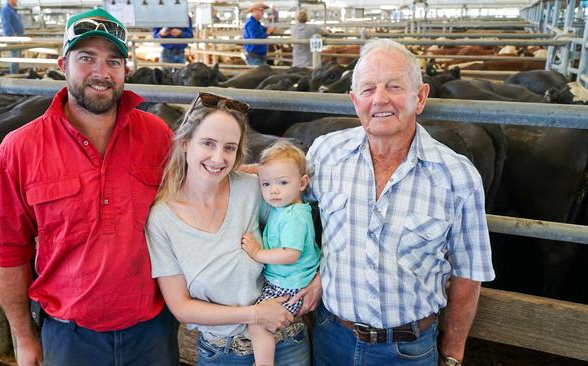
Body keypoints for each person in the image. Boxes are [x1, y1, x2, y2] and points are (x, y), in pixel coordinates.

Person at [0, 8, 179, 366]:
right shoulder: (21, 148)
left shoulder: (158, 135)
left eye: (113, 61)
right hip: (68, 335)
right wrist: (25, 338)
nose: (101, 73)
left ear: (126, 70)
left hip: (152, 330)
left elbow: (193, 205)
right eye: (86, 58)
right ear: (63, 65)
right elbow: (8, 252)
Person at [305, 38, 495, 365]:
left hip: (409, 350)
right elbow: (279, 195)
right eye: (367, 90)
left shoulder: (457, 177)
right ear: (354, 101)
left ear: (420, 97)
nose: (379, 99)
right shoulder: (325, 154)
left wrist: (452, 355)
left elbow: (468, 274)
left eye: (394, 86)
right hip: (331, 337)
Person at [145, 92, 310, 366]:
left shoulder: (251, 188)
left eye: (230, 148)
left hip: (287, 339)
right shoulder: (162, 219)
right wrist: (254, 315)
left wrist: (316, 281)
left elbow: (304, 215)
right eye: (208, 144)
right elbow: (181, 307)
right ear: (185, 143)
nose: (219, 158)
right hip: (223, 353)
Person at [241, 141, 320, 366]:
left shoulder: (294, 216)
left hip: (291, 286)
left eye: (283, 182)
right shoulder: (284, 206)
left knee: (257, 322)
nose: (273, 190)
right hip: (285, 280)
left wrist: (257, 253)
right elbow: (266, 172)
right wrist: (246, 170)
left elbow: (290, 254)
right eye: (266, 184)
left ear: (303, 183)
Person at [0, 0, 25, 74]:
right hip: (12, 38)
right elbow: (6, 24)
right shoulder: (5, 9)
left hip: (17, 38)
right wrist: (12, 36)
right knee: (15, 57)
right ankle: (14, 75)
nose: (17, 1)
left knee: (16, 57)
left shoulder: (12, 10)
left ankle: (15, 74)